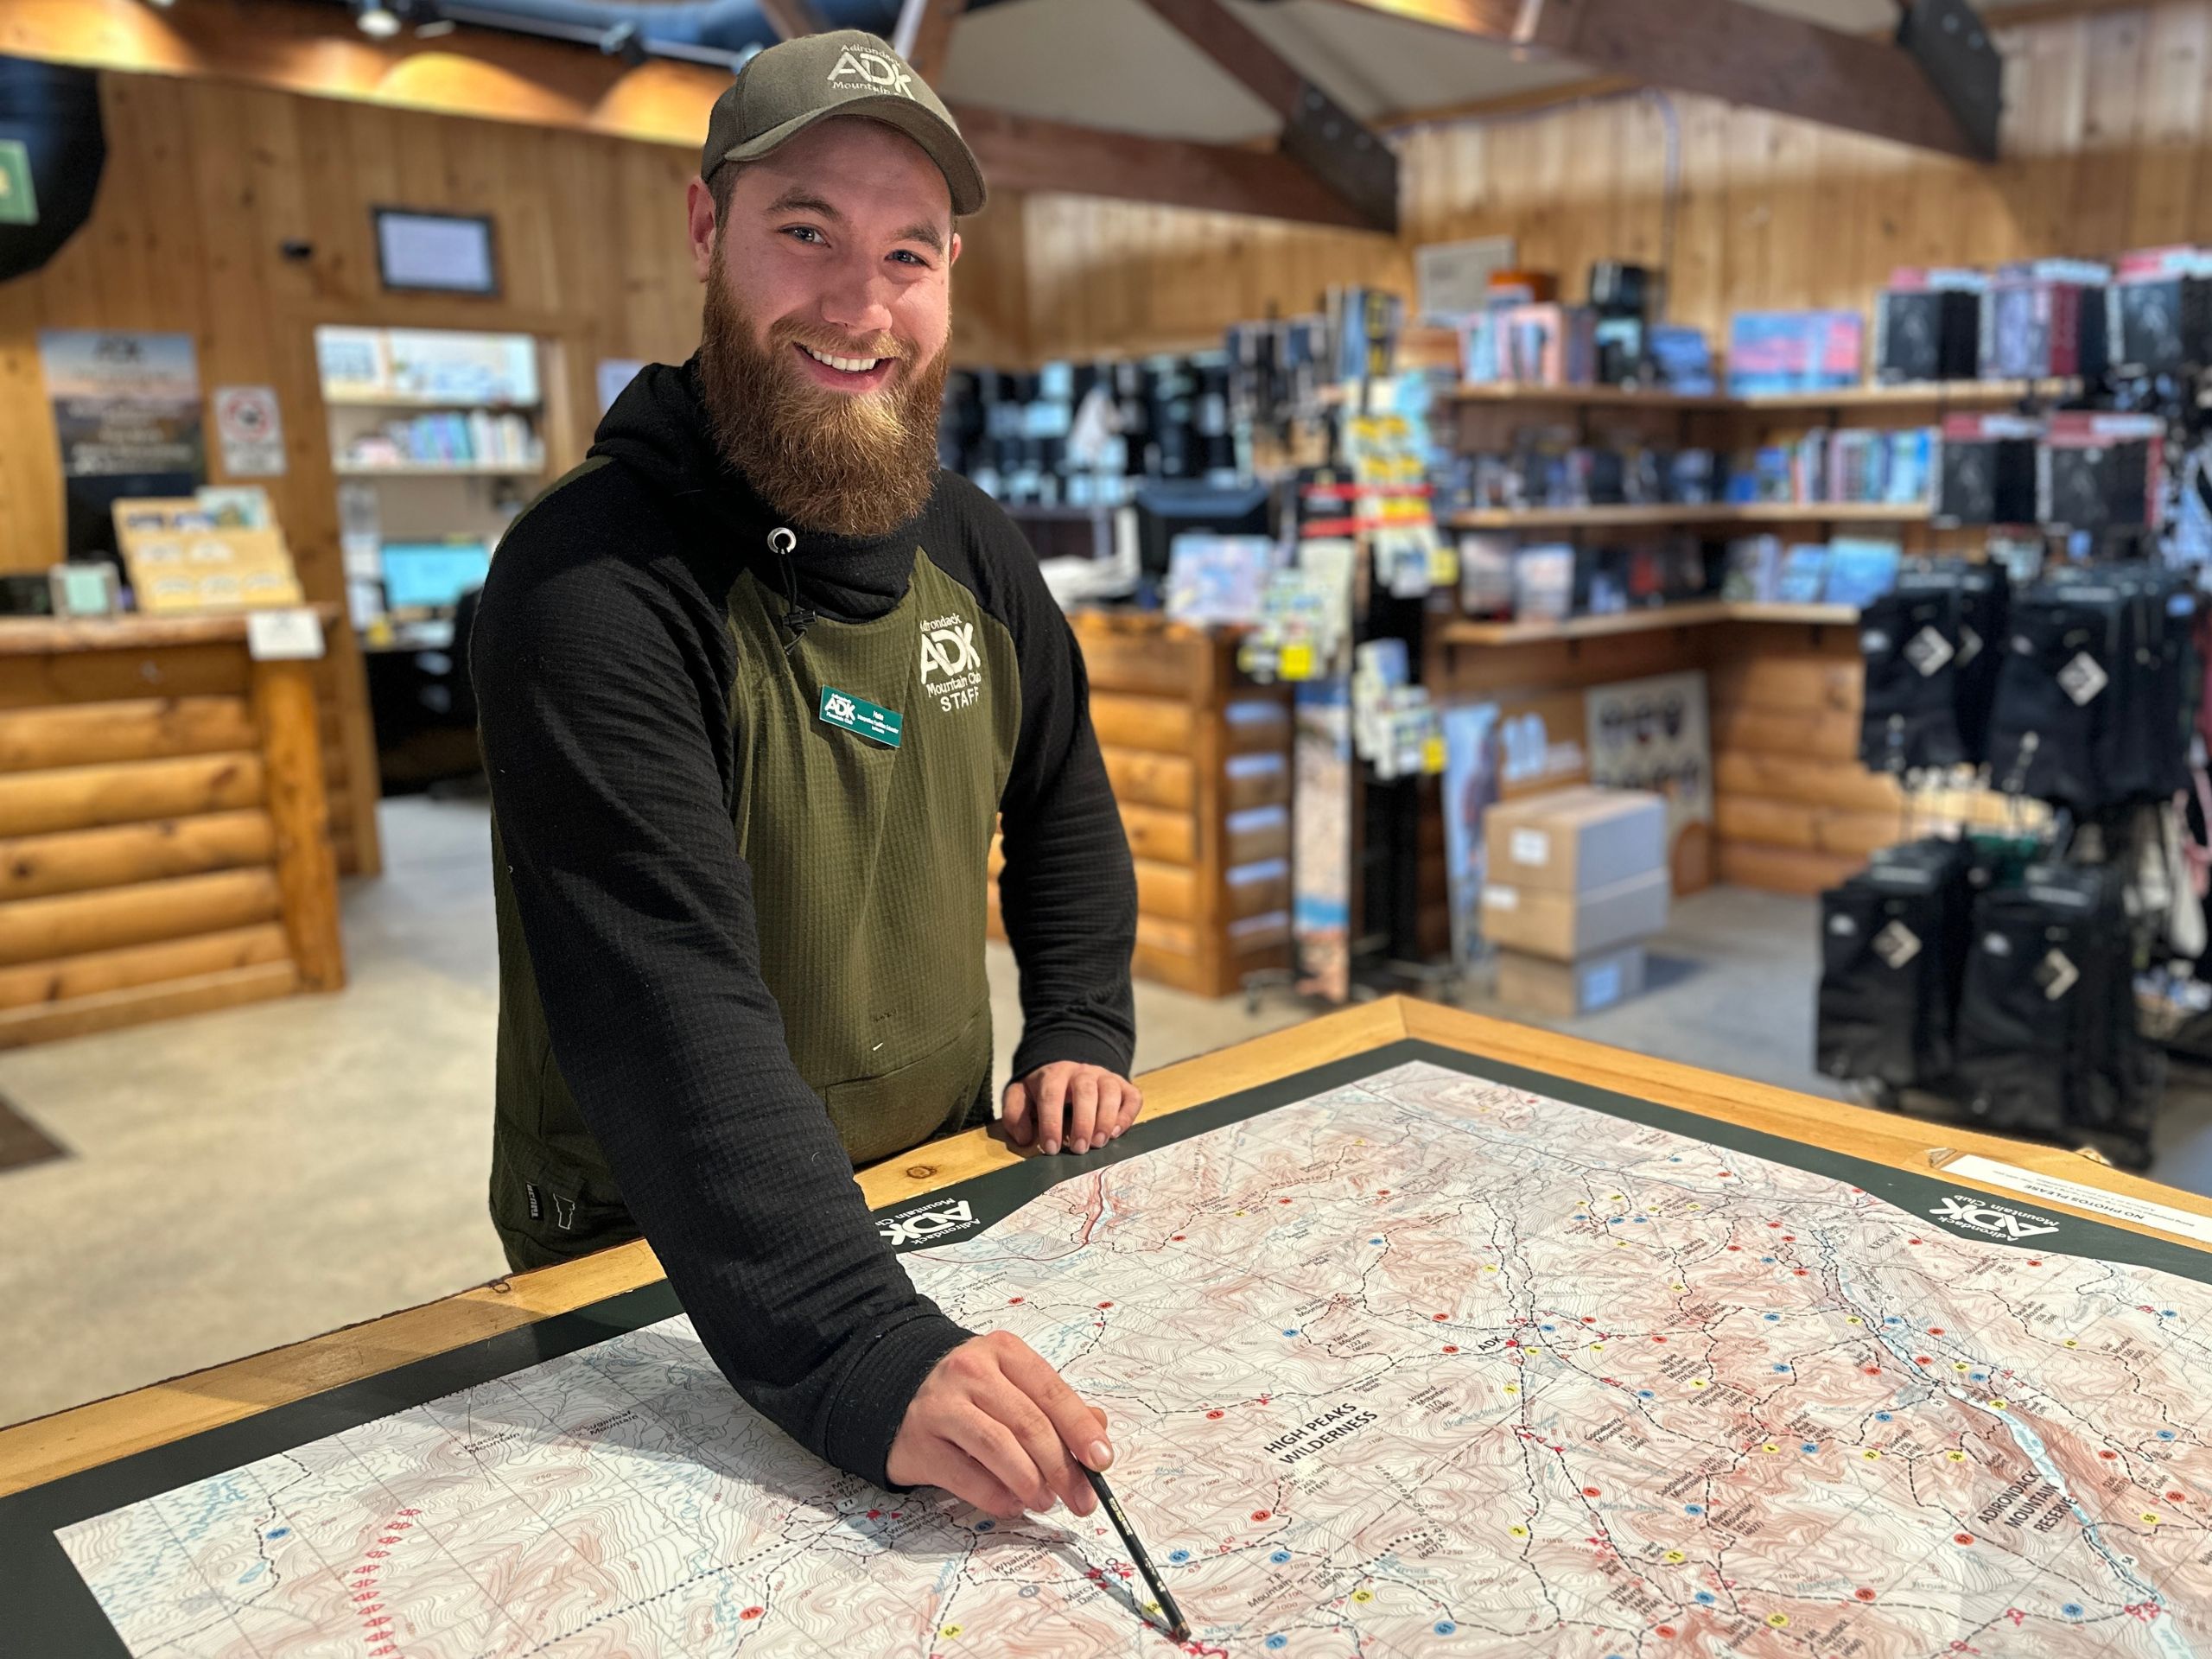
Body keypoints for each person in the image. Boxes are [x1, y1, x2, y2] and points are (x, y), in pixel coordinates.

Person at [469, 29, 1141, 1524]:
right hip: (658, 1234)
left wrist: (1081, 1014)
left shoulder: (971, 543)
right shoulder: (589, 584)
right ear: (709, 231)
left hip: (931, 1177)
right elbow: (662, 997)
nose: (861, 303)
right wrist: (854, 1340)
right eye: (807, 232)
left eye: (909, 251)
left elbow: (1064, 794)